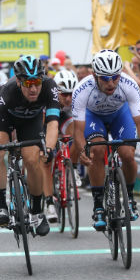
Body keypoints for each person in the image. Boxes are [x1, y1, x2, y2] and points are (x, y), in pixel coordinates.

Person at [0, 55, 60, 237]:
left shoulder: (50, 86)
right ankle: (1, 207)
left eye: (37, 82)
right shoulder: (8, 90)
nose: (34, 88)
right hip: (8, 119)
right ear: (19, 81)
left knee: (32, 159)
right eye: (28, 83)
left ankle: (37, 212)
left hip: (32, 121)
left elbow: (53, 122)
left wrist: (50, 149)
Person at [72, 49, 140, 231]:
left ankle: (130, 197)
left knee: (127, 154)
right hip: (94, 117)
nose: (110, 83)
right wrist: (81, 150)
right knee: (97, 151)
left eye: (115, 77)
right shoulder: (82, 89)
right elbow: (77, 130)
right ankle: (98, 205)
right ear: (94, 75)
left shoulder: (129, 85)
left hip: (120, 116)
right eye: (104, 78)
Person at [42, 70, 81, 223]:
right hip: (46, 120)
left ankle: (72, 168)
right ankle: (49, 203)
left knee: (78, 135)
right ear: (56, 92)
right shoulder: (47, 96)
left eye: (71, 94)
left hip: (64, 117)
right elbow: (42, 126)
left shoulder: (76, 99)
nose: (69, 98)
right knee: (46, 160)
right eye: (64, 94)